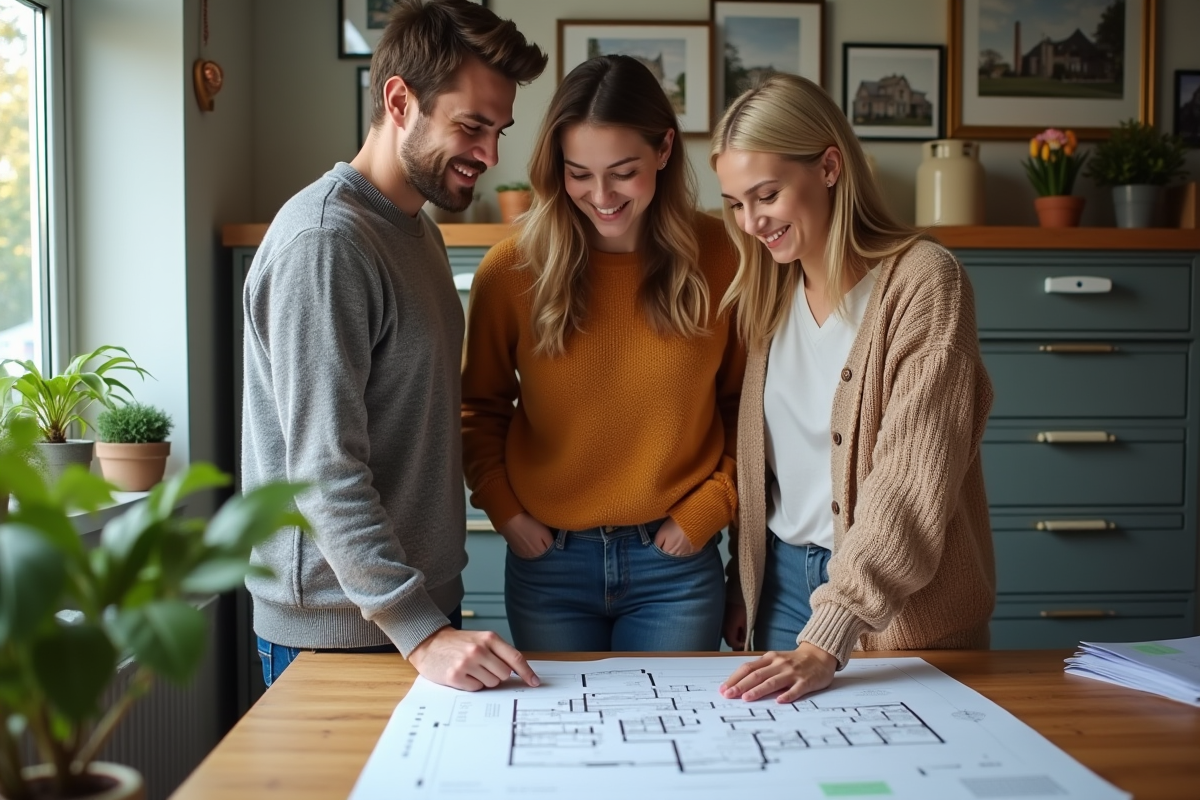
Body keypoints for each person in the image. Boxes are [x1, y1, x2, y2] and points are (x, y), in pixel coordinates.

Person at [243, 0, 547, 691]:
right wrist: (421, 629)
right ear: (399, 100)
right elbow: (324, 470)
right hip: (340, 630)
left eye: (499, 130)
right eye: (472, 126)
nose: (491, 156)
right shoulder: (327, 243)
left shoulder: (417, 232)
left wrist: (428, 621)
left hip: (411, 616)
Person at [710, 73, 995, 702]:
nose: (752, 222)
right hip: (781, 592)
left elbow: (912, 479)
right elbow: (769, 473)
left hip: (901, 610)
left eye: (767, 194)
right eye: (735, 202)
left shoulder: (925, 282)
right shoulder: (767, 290)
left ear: (830, 166)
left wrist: (830, 632)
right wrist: (743, 580)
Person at [461, 55, 746, 652]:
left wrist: (707, 510)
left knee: (676, 741)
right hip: (549, 565)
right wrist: (507, 513)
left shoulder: (725, 257)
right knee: (563, 743)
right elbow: (478, 410)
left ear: (664, 149)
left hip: (675, 564)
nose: (601, 196)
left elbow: (747, 409)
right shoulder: (509, 271)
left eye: (623, 172)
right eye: (579, 173)